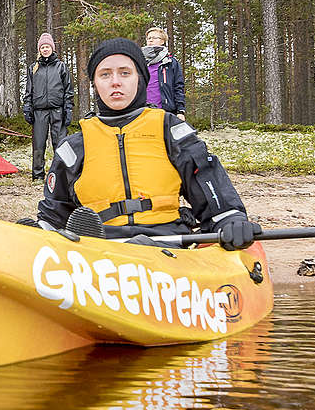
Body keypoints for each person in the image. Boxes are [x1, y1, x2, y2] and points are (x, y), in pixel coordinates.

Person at [36, 37, 260, 250]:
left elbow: (213, 194)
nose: (115, 81)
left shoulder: (170, 131)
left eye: (125, 73)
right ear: (95, 83)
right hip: (100, 249)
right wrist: (36, 231)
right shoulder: (74, 146)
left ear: (140, 78)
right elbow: (54, 214)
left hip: (167, 244)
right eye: (105, 74)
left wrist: (231, 219)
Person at [22, 32, 73, 181]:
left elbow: (68, 90)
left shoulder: (61, 67)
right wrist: (27, 107)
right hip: (39, 112)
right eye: (42, 47)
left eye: (47, 46)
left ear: (52, 48)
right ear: (39, 49)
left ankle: (62, 176)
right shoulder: (34, 68)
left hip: (58, 110)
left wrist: (68, 109)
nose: (45, 49)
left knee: (61, 144)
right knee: (38, 144)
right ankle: (38, 176)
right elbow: (28, 91)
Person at [142, 26, 186, 120]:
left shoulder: (171, 63)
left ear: (162, 41)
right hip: (142, 112)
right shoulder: (140, 62)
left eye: (154, 38)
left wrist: (180, 111)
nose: (150, 40)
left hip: (165, 112)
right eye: (149, 38)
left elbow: (178, 87)